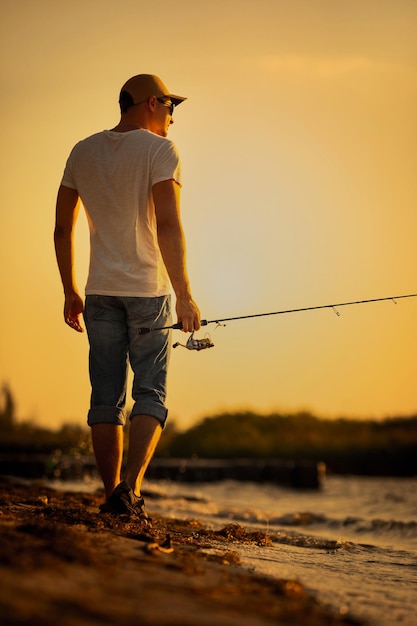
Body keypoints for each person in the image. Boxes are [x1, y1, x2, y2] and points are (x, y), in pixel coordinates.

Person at [54, 74, 201, 522]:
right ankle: (130, 489)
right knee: (150, 391)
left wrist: (69, 291)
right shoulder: (161, 151)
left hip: (99, 292)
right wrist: (186, 296)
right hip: (148, 292)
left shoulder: (82, 151)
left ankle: (111, 493)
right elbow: (170, 225)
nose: (173, 117)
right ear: (152, 103)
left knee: (105, 396)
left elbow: (63, 228)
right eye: (170, 107)